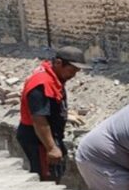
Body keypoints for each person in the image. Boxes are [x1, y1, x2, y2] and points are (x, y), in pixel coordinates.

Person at [16, 46, 88, 182]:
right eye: (71, 70)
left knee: (53, 173)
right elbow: (39, 119)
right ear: (59, 63)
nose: (74, 75)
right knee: (47, 177)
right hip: (38, 139)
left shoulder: (52, 77)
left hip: (45, 137)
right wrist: (51, 148)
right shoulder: (42, 84)